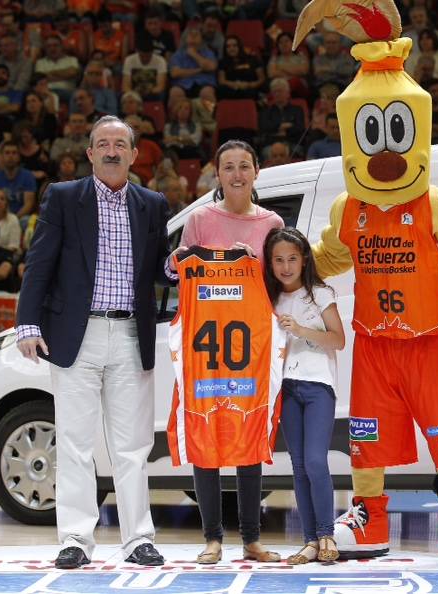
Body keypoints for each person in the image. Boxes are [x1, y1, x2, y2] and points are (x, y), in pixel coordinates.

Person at [15, 115, 174, 569]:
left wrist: (177, 267)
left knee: (132, 445)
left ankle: (137, 538)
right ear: (89, 153)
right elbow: (39, 262)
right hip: (75, 334)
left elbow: (161, 267)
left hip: (129, 333)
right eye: (102, 143)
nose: (110, 151)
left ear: (133, 153)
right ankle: (76, 540)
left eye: (119, 144)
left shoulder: (152, 203)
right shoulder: (64, 198)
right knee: (74, 441)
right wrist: (28, 323)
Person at [168, 139, 284, 565]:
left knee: (250, 435)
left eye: (244, 166)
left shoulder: (272, 222)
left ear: (257, 172)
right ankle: (212, 538)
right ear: (217, 174)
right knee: (206, 436)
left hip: (252, 346)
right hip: (205, 347)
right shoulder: (199, 219)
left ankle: (251, 540)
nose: (237, 174)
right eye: (229, 167)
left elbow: (281, 279)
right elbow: (176, 273)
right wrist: (181, 259)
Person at [263, 226, 345, 565]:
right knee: (298, 466)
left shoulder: (320, 294)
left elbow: (338, 339)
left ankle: (327, 534)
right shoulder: (270, 299)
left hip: (318, 387)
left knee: (315, 460)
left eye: (292, 259)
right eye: (278, 260)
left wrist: (301, 331)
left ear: (304, 259)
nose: (285, 267)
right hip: (287, 387)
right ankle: (310, 541)